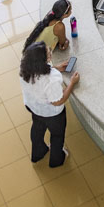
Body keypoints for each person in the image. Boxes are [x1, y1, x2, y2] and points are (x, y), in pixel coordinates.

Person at [19, 40, 79, 168]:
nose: (50, 53)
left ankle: (38, 153)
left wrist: (56, 67)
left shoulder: (24, 68)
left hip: (34, 108)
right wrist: (72, 83)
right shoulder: (52, 78)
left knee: (37, 129)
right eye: (48, 53)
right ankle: (56, 160)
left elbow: (39, 75)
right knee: (57, 135)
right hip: (53, 115)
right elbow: (58, 100)